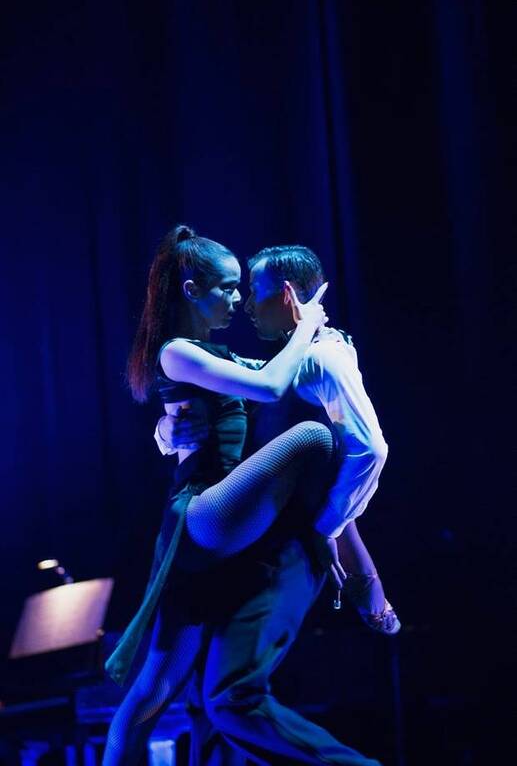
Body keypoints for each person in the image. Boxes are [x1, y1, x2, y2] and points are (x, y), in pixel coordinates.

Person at [103, 227, 378, 766]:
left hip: (221, 521)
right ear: (191, 291)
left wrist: (331, 344)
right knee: (314, 438)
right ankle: (323, 538)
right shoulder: (177, 351)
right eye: (227, 288)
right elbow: (272, 386)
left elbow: (285, 376)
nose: (238, 299)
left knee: (155, 691)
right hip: (204, 514)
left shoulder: (218, 355)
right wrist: (309, 325)